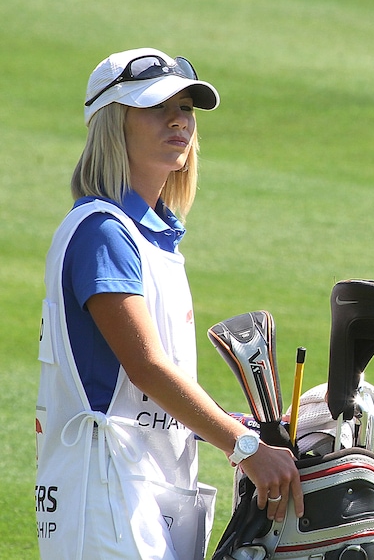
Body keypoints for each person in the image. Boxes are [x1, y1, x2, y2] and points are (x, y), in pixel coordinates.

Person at [35, 48, 304, 560]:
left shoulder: (152, 237)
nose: (179, 120)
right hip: (106, 498)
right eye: (158, 107)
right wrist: (242, 447)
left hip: (143, 494)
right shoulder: (103, 230)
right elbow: (147, 369)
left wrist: (242, 426)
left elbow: (156, 396)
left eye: (187, 109)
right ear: (114, 122)